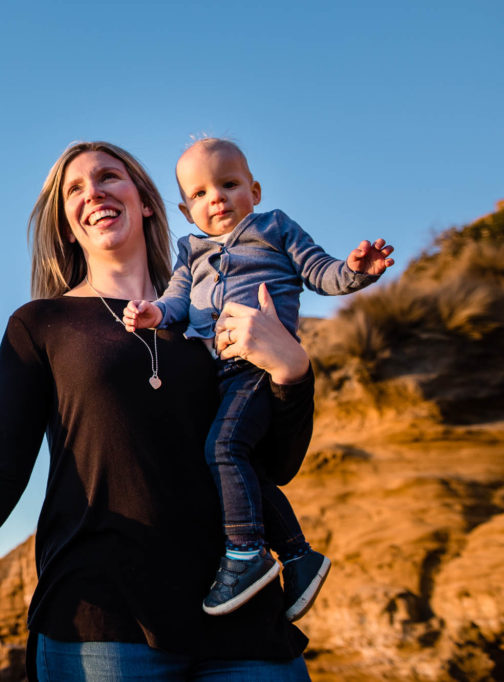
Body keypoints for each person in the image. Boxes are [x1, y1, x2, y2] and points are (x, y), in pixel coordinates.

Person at [0, 141, 319, 680]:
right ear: (67, 223)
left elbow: (274, 465)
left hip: (243, 623)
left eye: (108, 177)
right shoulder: (41, 325)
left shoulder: (212, 319)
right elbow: (1, 466)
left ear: (146, 201)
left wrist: (293, 373)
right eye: (74, 189)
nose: (94, 192)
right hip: (101, 623)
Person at [123, 138, 394, 619]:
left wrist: (355, 272)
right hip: (216, 374)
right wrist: (151, 313)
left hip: (256, 365)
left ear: (255, 189)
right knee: (243, 464)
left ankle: (246, 553)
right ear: (187, 212)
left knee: (223, 450)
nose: (217, 199)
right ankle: (298, 556)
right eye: (202, 194)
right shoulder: (190, 252)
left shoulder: (274, 228)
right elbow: (177, 301)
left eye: (229, 185)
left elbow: (321, 271)